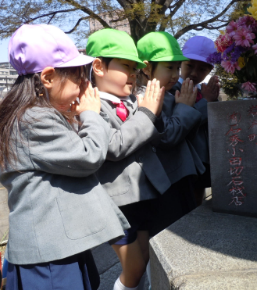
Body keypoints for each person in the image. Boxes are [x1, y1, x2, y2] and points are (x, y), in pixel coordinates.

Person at [0, 24, 129, 290]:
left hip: (56, 245)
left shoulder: (26, 113)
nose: (83, 85)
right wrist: (91, 114)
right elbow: (88, 156)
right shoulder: (34, 119)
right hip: (50, 254)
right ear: (47, 77)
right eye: (77, 77)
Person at [86, 29, 170, 290]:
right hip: (114, 203)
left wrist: (154, 113)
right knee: (133, 267)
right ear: (98, 67)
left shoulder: (133, 102)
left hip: (142, 195)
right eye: (126, 66)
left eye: (135, 68)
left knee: (144, 259)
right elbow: (112, 146)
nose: (133, 73)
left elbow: (156, 137)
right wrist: (147, 113)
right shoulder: (89, 105)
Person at [135, 32, 203, 240]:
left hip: (179, 177)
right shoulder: (145, 97)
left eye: (177, 68)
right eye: (169, 67)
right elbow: (166, 136)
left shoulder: (170, 92)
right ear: (147, 68)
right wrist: (184, 108)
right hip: (167, 183)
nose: (175, 75)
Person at [176, 36, 221, 206]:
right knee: (187, 201)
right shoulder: (173, 89)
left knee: (198, 199)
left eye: (202, 69)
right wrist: (206, 102)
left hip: (204, 158)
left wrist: (213, 101)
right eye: (189, 66)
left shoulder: (203, 90)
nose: (195, 73)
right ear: (181, 63)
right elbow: (183, 121)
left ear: (210, 70)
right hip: (185, 160)